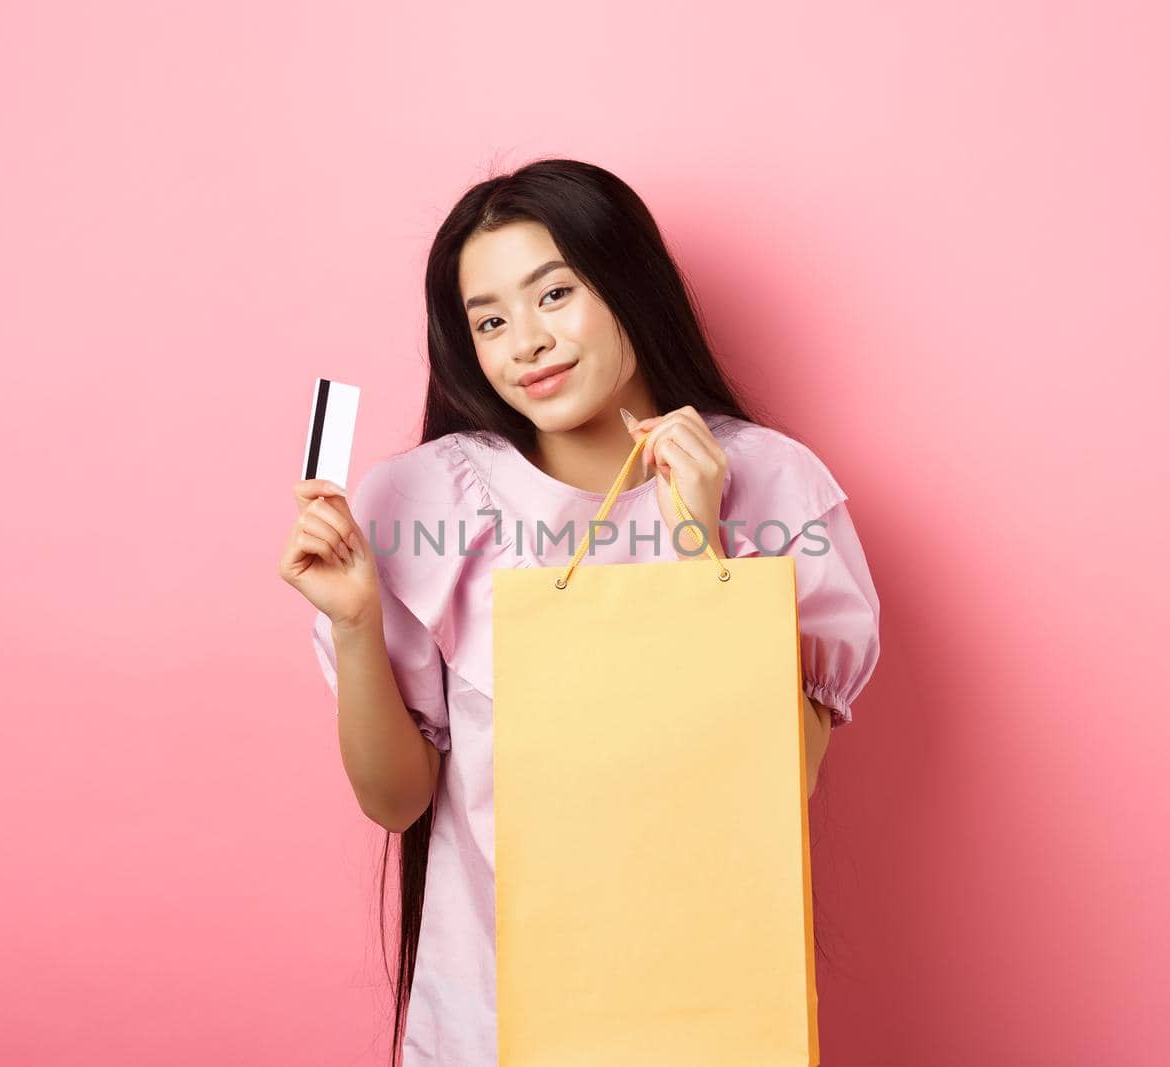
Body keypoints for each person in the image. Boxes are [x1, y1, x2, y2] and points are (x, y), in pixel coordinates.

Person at [277, 158, 882, 1067]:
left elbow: (780, 779)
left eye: (553, 294)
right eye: (490, 319)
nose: (525, 341)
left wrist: (697, 547)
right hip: (489, 1013)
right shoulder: (425, 498)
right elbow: (396, 801)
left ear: (627, 282)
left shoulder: (772, 483)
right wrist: (360, 623)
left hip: (703, 1012)